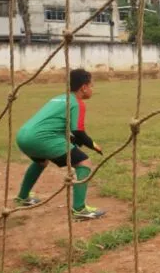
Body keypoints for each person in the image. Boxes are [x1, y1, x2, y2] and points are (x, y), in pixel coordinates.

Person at [13, 68, 104, 220]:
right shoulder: (77, 102)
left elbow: (67, 131)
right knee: (84, 162)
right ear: (84, 87)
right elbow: (78, 132)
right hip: (41, 138)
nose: (92, 89)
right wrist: (94, 145)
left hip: (23, 135)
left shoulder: (59, 98)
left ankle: (23, 197)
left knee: (41, 161)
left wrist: (75, 142)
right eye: (92, 85)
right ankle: (79, 209)